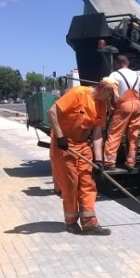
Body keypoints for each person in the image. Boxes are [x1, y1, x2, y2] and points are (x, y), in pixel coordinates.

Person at [47, 77, 119, 235]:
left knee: (88, 183)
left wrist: (99, 159)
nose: (110, 99)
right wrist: (60, 137)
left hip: (82, 146)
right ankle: (71, 221)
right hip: (64, 146)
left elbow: (98, 134)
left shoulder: (101, 106)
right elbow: (52, 111)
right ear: (104, 89)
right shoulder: (78, 93)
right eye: (110, 95)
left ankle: (89, 223)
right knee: (71, 184)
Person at [104, 55, 140, 171]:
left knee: (115, 133)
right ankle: (131, 162)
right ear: (127, 63)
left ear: (118, 63)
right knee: (133, 134)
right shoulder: (136, 74)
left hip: (123, 106)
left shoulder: (115, 75)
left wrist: (109, 107)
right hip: (137, 106)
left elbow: (107, 90)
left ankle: (110, 162)